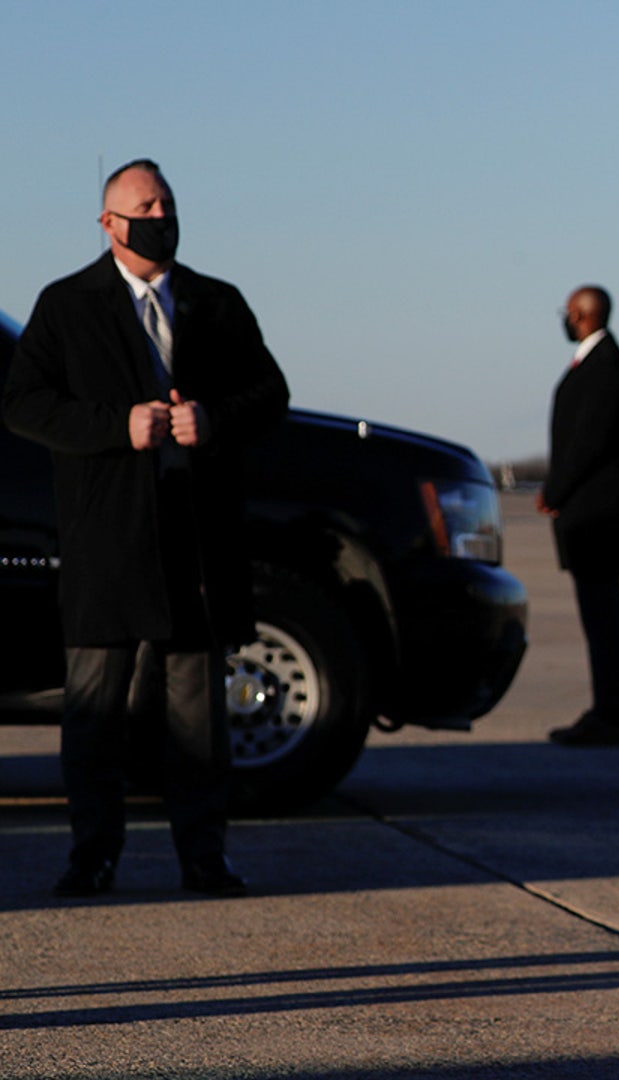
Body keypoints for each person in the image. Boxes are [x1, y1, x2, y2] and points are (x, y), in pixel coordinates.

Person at [3, 158, 290, 898]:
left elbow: (271, 392)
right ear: (109, 223)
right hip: (107, 541)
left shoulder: (216, 304)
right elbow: (23, 403)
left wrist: (212, 419)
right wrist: (115, 427)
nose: (161, 214)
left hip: (193, 542)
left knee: (198, 716)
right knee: (94, 711)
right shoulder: (66, 306)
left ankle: (204, 856)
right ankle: (92, 855)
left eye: (166, 201)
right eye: (145, 204)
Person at [539, 285, 619, 747]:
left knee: (602, 617)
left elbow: (588, 441)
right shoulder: (596, 361)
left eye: (568, 312)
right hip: (591, 516)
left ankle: (612, 711)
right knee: (599, 615)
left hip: (596, 518)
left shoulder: (603, 367)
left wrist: (555, 489)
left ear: (583, 315)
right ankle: (609, 708)